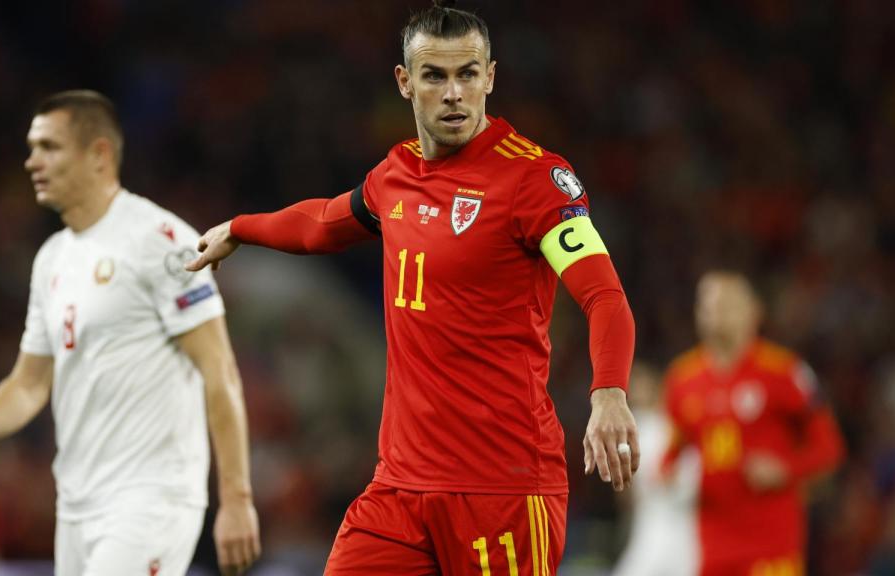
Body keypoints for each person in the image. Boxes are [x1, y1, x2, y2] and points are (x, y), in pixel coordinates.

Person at [185, 1, 638, 573]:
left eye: (467, 74)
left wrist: (609, 394)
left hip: (502, 488)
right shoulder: (394, 177)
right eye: (435, 75)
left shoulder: (535, 180)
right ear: (405, 82)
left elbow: (603, 296)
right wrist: (240, 229)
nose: (453, 93)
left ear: (490, 77)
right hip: (398, 489)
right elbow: (325, 222)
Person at [0, 90, 261, 576]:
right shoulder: (51, 259)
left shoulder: (161, 241)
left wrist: (236, 498)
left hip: (150, 499)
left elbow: (220, 372)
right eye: (31, 147)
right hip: (76, 505)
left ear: (99, 155)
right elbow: (29, 384)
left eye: (49, 147)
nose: (31, 162)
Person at [663, 270, 845, 576]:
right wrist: (672, 478)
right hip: (710, 545)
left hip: (771, 543)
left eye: (728, 304)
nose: (716, 313)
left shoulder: (784, 372)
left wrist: (786, 469)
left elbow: (829, 448)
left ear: (754, 312)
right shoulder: (681, 380)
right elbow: (669, 457)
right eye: (708, 305)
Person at [611, 363, 700, 576]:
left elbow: (695, 472)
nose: (635, 392)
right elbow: (626, 489)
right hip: (651, 518)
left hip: (683, 521)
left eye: (641, 384)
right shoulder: (634, 427)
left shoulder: (677, 425)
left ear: (656, 386)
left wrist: (675, 481)